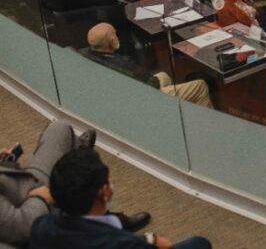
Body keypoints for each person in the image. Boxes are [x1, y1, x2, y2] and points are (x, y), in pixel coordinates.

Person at [31, 148, 210, 249]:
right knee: (200, 244)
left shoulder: (42, 227)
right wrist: (152, 241)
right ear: (104, 192)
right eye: (108, 181)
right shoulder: (122, 244)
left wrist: (149, 239)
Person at [0, 121, 102, 246]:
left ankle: (77, 158)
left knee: (59, 130)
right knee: (60, 131)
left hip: (17, 182)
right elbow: (20, 228)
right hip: (34, 197)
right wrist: (41, 199)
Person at [83, 23, 212, 108]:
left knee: (164, 76)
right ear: (112, 42)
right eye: (115, 34)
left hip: (122, 96)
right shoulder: (122, 65)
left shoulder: (87, 55)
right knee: (200, 86)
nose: (117, 37)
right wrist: (152, 81)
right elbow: (152, 84)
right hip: (142, 101)